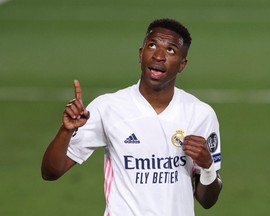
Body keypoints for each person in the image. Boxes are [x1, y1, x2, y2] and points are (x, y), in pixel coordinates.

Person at [41, 18, 222, 216]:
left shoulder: (200, 114)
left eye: (170, 50)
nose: (159, 55)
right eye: (152, 45)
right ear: (140, 54)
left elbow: (207, 201)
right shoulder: (108, 108)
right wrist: (66, 130)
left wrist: (207, 166)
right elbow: (50, 172)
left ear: (182, 64)